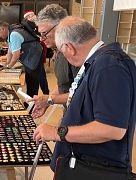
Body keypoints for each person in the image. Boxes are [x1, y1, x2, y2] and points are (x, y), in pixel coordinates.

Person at [33, 16, 136, 176]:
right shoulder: (98, 62)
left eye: (61, 51)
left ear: (69, 48)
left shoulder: (109, 67)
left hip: (93, 169)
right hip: (81, 163)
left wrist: (56, 133)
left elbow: (112, 129)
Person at [27, 4, 79, 118]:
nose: (41, 39)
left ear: (61, 27)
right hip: (70, 114)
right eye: (39, 34)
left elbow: (83, 95)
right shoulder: (59, 51)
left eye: (44, 33)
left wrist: (50, 99)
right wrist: (47, 102)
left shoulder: (75, 53)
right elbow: (63, 86)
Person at [0, 20, 43, 99]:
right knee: (29, 81)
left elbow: (16, 55)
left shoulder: (14, 34)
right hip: (31, 56)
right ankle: (30, 102)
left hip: (34, 57)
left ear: (3, 29)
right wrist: (6, 64)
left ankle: (32, 106)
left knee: (32, 83)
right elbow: (10, 51)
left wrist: (8, 67)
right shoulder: (11, 32)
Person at [23, 10, 49, 95]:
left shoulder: (39, 24)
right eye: (28, 17)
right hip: (34, 52)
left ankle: (45, 93)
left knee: (40, 73)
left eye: (31, 15)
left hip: (39, 51)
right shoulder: (28, 26)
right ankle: (45, 92)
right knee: (40, 73)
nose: (30, 17)